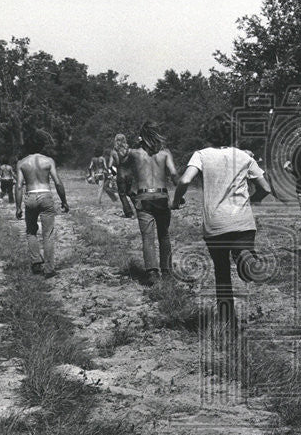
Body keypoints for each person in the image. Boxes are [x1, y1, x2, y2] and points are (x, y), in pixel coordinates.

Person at [172, 113, 272, 324]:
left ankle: (228, 320)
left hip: (216, 224)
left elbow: (185, 180)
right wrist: (252, 201)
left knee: (221, 272)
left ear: (209, 134)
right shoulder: (245, 156)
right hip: (243, 222)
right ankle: (243, 255)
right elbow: (266, 188)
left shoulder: (201, 154)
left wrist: (177, 198)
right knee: (242, 257)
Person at [114, 124, 180, 284]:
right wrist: (179, 194)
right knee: (164, 236)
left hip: (143, 197)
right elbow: (173, 173)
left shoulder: (135, 153)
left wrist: (133, 144)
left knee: (147, 237)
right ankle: (167, 271)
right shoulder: (165, 153)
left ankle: (152, 273)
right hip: (162, 196)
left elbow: (122, 163)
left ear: (141, 136)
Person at [15, 134, 69, 277]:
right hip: (45, 195)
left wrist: (18, 206)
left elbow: (19, 186)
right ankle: (49, 269)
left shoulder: (22, 162)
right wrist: (64, 201)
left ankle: (36, 262)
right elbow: (57, 182)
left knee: (31, 231)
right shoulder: (48, 160)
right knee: (48, 234)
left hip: (30, 195)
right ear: (41, 146)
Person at [107, 134, 136, 217]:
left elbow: (110, 166)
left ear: (116, 141)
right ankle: (140, 208)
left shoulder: (114, 152)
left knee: (122, 194)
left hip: (121, 174)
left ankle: (129, 213)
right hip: (130, 174)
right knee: (129, 191)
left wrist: (112, 176)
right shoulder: (130, 150)